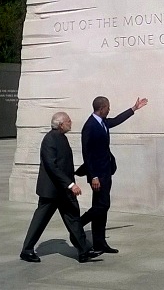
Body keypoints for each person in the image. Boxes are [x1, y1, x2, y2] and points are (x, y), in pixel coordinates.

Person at [20, 112, 103, 263]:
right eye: (68, 121)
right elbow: (52, 166)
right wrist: (70, 184)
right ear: (60, 124)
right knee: (40, 221)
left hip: (63, 191)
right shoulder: (49, 139)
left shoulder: (61, 137)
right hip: (51, 191)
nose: (71, 123)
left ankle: (84, 251)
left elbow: (63, 163)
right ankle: (26, 251)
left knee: (73, 218)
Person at [77, 96, 148, 253]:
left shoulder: (102, 123)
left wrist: (134, 108)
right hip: (97, 175)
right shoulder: (90, 126)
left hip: (106, 171)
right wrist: (93, 176)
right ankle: (77, 223)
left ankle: (99, 243)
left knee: (101, 208)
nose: (109, 109)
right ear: (101, 108)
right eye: (108, 107)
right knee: (102, 205)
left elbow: (115, 120)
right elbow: (86, 153)